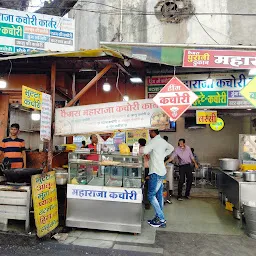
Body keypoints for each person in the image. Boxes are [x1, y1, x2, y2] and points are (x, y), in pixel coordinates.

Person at [142, 129, 174, 228]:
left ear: (153, 133)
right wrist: (162, 155)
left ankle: (161, 219)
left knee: (151, 195)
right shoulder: (163, 141)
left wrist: (140, 149)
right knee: (159, 195)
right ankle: (157, 218)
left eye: (150, 132)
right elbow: (171, 148)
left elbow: (145, 151)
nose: (149, 134)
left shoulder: (154, 141)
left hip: (155, 172)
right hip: (161, 172)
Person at [138, 138, 150, 209]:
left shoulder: (141, 149)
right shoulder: (146, 149)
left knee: (144, 186)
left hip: (143, 168)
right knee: (146, 186)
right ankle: (147, 202)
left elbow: (148, 157)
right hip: (146, 168)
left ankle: (145, 201)